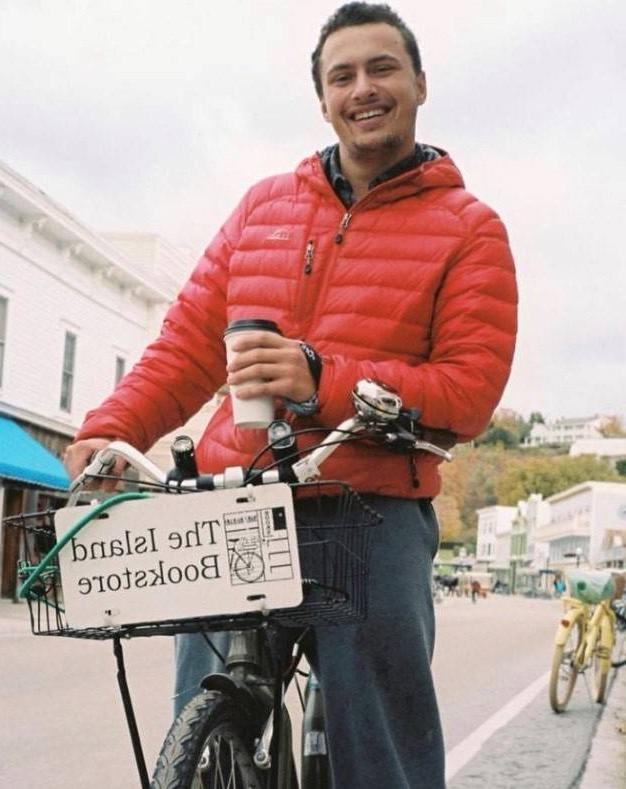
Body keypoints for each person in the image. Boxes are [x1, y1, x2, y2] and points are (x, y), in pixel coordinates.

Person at [64, 3, 517, 786]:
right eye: (342, 75)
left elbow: (468, 391)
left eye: (382, 68)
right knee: (204, 713)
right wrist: (108, 430)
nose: (363, 88)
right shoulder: (264, 206)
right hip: (234, 494)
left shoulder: (469, 227)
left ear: (419, 83)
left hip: (366, 502)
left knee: (378, 746)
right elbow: (185, 348)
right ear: (322, 98)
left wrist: (323, 377)